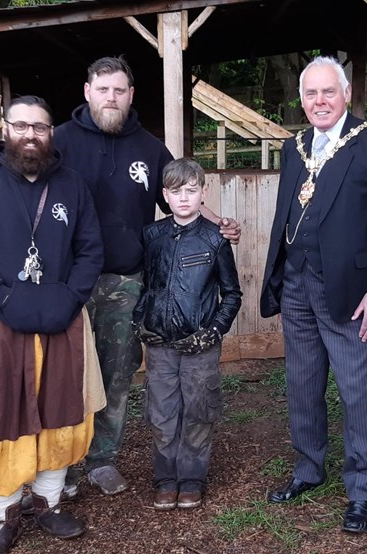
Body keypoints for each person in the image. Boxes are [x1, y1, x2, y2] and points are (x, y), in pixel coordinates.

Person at [50, 56, 240, 496]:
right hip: (68, 283)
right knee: (69, 375)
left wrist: (219, 225)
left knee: (117, 375)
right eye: (103, 89)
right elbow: (21, 173)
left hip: (125, 281)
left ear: (131, 95)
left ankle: (101, 460)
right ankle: (65, 465)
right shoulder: (60, 141)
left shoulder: (149, 148)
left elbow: (179, 190)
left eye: (119, 90)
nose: (111, 98)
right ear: (87, 92)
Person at [0, 95, 105, 554]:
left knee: (62, 414)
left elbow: (91, 248)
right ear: (6, 130)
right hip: (3, 324)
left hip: (64, 321)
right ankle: (6, 515)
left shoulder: (72, 186)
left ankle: (49, 504)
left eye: (39, 126)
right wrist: (1, 298)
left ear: (50, 132)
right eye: (21, 126)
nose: (30, 135)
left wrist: (71, 298)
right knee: (2, 416)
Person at [259, 56, 367, 534]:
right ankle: (308, 469)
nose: (319, 101)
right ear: (301, 99)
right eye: (310, 94)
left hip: (352, 291)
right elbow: (287, 213)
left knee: (358, 390)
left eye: (328, 92)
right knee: (302, 384)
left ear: (345, 94)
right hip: (298, 284)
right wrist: (280, 278)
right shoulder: (294, 146)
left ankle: (363, 489)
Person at [131, 158, 243, 511]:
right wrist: (140, 320)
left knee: (198, 410)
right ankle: (166, 478)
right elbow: (146, 285)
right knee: (162, 412)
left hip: (199, 347)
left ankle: (192, 477)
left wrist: (213, 331)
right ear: (165, 195)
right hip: (160, 346)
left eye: (191, 191)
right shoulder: (152, 236)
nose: (184, 198)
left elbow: (233, 294)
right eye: (176, 192)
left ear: (203, 193)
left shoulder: (215, 239)